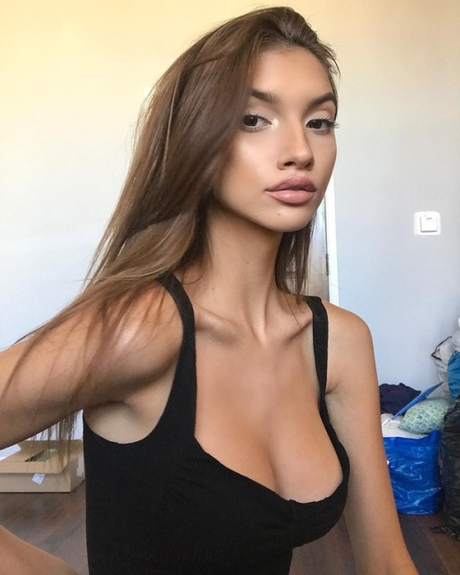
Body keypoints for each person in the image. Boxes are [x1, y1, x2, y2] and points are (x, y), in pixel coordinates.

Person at [0, 6, 418, 574]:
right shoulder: (141, 327)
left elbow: (386, 561)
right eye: (254, 119)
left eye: (320, 121)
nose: (300, 149)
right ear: (196, 139)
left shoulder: (340, 342)